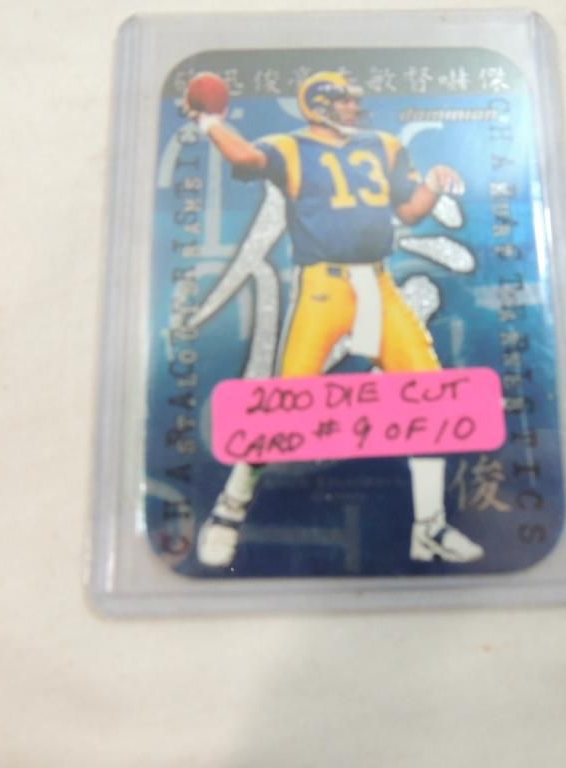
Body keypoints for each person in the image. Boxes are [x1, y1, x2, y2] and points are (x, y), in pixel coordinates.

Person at [189, 71, 483, 567]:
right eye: (345, 101)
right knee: (286, 404)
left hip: (379, 284)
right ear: (320, 104)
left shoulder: (384, 146)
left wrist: (433, 184)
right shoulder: (290, 147)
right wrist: (210, 121)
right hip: (323, 288)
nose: (353, 108)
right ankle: (228, 512)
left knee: (429, 398)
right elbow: (244, 158)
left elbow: (410, 212)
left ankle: (429, 528)